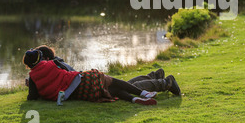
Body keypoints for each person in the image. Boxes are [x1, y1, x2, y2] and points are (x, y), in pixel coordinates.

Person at [31, 45, 181, 96]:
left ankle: (165, 83)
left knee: (124, 90)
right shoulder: (57, 63)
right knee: (124, 85)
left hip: (88, 82)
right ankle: (153, 76)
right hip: (88, 80)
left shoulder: (55, 66)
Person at [24, 49, 159, 105]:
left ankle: (135, 99)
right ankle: (144, 93)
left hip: (79, 94)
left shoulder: (33, 77)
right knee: (113, 81)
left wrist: (31, 86)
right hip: (83, 79)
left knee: (112, 91)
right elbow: (71, 71)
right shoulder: (53, 63)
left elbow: (32, 97)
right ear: (41, 58)